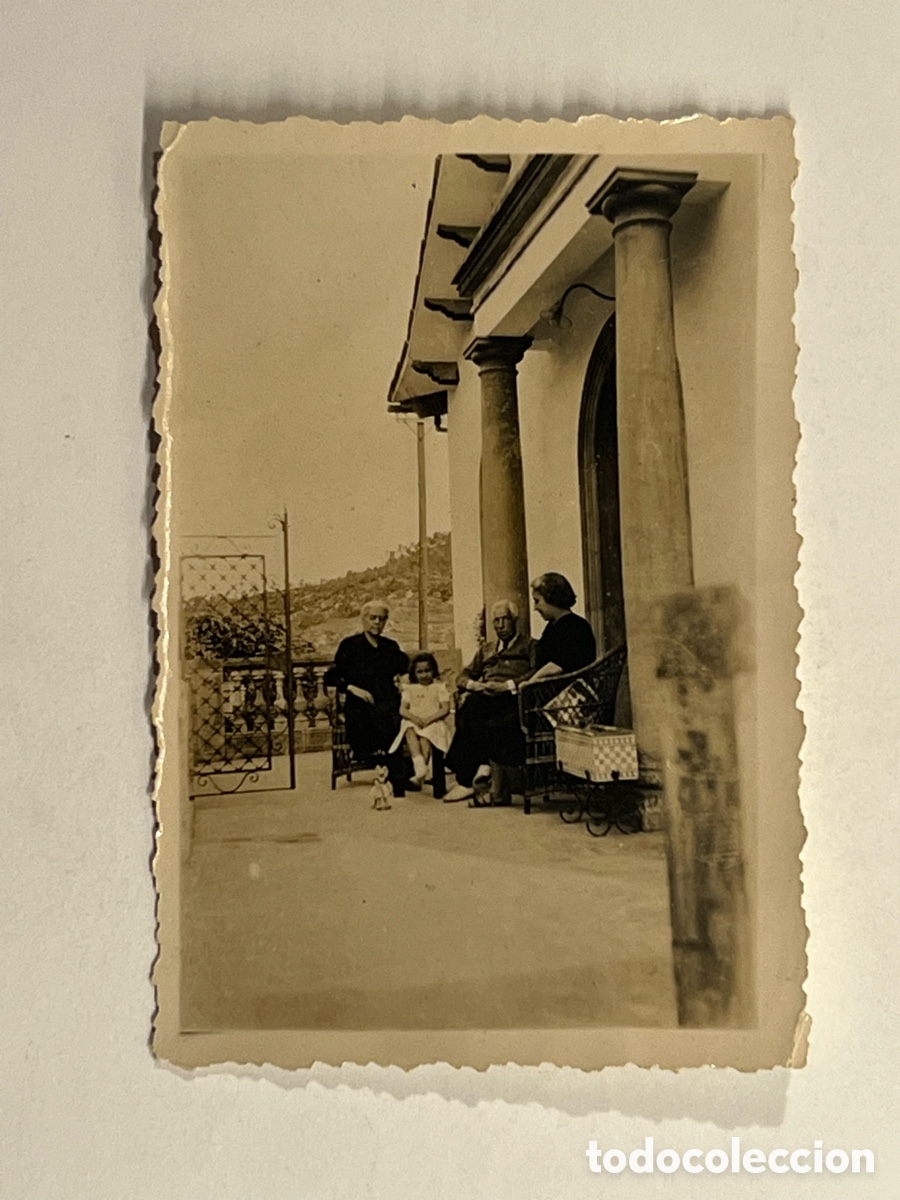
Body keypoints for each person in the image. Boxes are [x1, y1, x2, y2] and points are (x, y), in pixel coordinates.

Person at [443, 600, 536, 804]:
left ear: (515, 621)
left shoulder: (530, 646)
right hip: (486, 697)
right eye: (496, 621)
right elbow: (462, 675)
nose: (500, 625)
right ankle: (478, 767)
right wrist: (472, 685)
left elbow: (536, 675)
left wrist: (508, 685)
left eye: (505, 620)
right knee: (473, 705)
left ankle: (466, 778)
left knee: (473, 710)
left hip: (513, 699)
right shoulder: (487, 649)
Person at [330, 601, 409, 791]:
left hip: (387, 699)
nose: (377, 622)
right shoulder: (350, 645)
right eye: (372, 618)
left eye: (382, 619)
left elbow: (405, 666)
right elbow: (332, 676)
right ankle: (386, 764)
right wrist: (353, 688)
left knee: (396, 715)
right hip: (360, 702)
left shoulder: (390, 646)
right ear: (363, 619)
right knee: (371, 717)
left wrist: (404, 681)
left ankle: (395, 767)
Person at [390, 652, 453, 785]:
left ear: (433, 670)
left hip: (433, 722)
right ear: (414, 673)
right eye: (420, 672)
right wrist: (415, 718)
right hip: (414, 721)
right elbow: (402, 709)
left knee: (426, 738)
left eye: (427, 671)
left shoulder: (439, 687)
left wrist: (429, 719)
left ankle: (421, 769)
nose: (424, 675)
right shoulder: (410, 689)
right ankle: (419, 764)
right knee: (409, 730)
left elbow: (445, 709)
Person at [529, 573, 597, 680]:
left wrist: (530, 683)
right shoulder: (553, 626)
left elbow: (558, 666)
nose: (535, 607)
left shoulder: (575, 627)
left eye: (537, 601)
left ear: (551, 598)